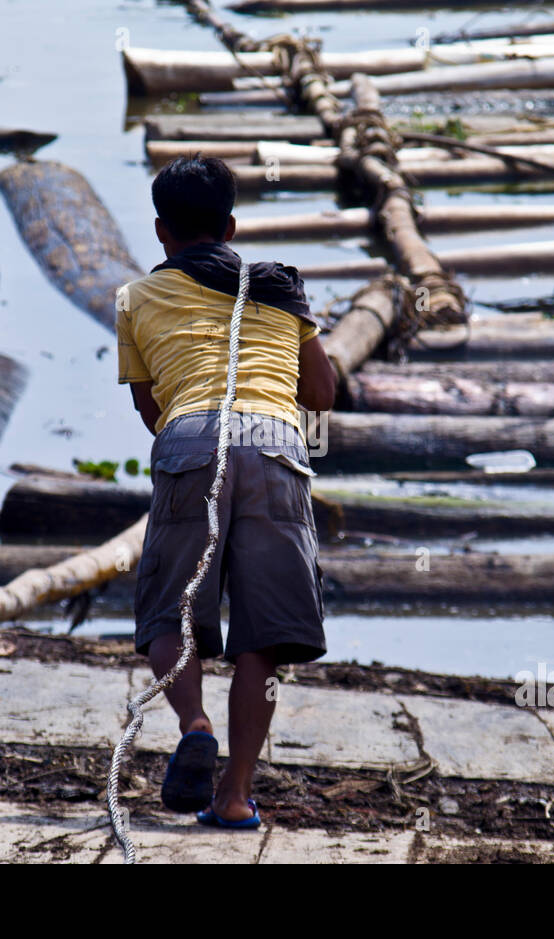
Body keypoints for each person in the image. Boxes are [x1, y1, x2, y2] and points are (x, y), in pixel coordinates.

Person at [115, 155, 336, 828]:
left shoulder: (135, 298)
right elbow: (322, 395)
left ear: (161, 232)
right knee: (263, 635)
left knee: (167, 616)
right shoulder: (279, 288)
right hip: (276, 446)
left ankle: (195, 723)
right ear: (232, 225)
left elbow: (151, 410)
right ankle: (235, 796)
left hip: (189, 441)